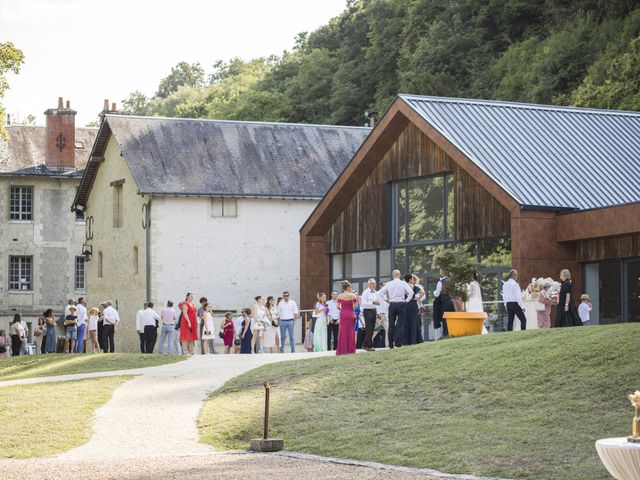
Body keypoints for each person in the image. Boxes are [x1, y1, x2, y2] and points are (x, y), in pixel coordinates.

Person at [378, 270, 414, 348]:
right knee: (400, 324)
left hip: (392, 304)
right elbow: (411, 293)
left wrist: (386, 300)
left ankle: (391, 344)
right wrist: (406, 300)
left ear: (392, 275)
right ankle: (398, 343)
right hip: (401, 303)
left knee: (391, 325)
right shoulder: (403, 283)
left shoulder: (389, 284)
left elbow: (380, 293)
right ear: (399, 275)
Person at [336, 280, 358, 355]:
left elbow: (337, 307)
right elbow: (356, 306)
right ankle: (350, 350)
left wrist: (343, 309)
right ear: (348, 287)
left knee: (343, 332)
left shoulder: (339, 296)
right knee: (351, 332)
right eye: (350, 287)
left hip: (343, 314)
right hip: (350, 314)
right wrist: (351, 308)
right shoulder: (353, 295)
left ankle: (343, 350)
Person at [433, 269, 454, 338]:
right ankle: (452, 332)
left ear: (441, 273)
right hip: (451, 302)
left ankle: (446, 333)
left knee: (445, 319)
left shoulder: (440, 282)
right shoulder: (451, 281)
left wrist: (434, 292)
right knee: (452, 318)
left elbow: (437, 294)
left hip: (444, 302)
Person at [403, 274, 424, 345]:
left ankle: (406, 341)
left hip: (406, 305)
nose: (413, 280)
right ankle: (415, 340)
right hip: (413, 304)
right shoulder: (413, 286)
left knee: (406, 322)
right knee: (414, 321)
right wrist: (418, 298)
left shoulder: (403, 286)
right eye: (412, 279)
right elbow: (423, 292)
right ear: (410, 279)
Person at [360, 279, 380, 351]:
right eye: (373, 283)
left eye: (375, 283)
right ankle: (369, 346)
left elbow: (377, 303)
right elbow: (363, 304)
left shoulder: (376, 292)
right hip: (367, 311)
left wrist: (378, 313)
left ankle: (365, 345)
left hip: (374, 311)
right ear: (369, 284)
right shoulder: (365, 292)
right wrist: (373, 302)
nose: (374, 285)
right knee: (369, 329)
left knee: (372, 329)